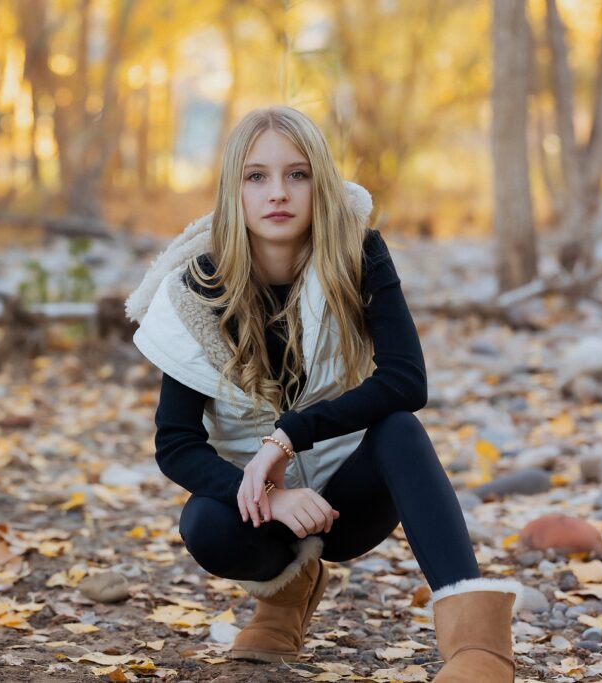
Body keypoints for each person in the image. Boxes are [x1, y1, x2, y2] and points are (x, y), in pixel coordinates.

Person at [124, 106, 523, 680]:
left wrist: (289, 437)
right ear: (233, 189)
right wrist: (267, 492)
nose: (278, 193)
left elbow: (407, 381)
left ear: (321, 183)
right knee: (203, 525)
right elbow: (176, 443)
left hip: (346, 494)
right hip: (262, 507)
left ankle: (479, 649)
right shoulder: (196, 293)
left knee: (400, 428)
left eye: (298, 174)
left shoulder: (358, 255)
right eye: (256, 176)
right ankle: (286, 596)